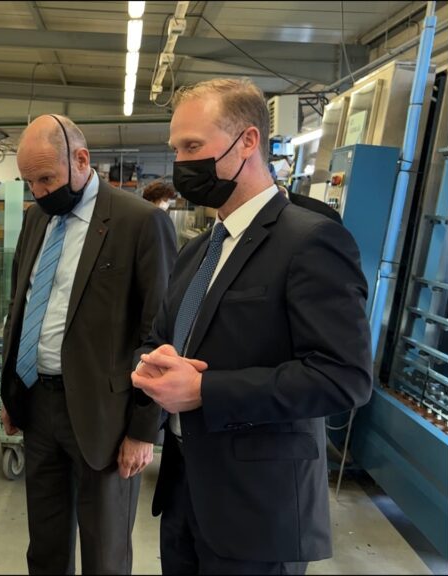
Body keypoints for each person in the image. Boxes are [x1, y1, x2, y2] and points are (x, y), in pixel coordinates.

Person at [131, 78, 373, 575]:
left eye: (193, 146)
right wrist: (153, 365)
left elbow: (343, 377)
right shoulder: (200, 249)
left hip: (260, 513)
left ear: (247, 141)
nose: (181, 163)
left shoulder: (311, 242)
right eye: (176, 148)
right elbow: (163, 336)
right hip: (184, 497)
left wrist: (206, 390)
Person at [0, 114, 177, 574]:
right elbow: (22, 306)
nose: (39, 191)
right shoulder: (37, 220)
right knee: (45, 547)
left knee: (105, 552)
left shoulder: (139, 223)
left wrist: (143, 429)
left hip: (106, 419)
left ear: (82, 160)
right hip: (39, 406)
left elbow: (157, 335)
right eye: (29, 181)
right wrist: (13, 393)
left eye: (47, 178)